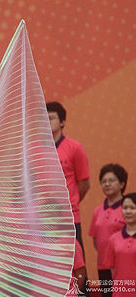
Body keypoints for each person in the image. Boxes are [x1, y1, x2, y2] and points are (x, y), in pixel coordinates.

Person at [46, 102, 90, 250]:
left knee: (74, 260)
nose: (47, 121)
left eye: (51, 118)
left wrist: (73, 200)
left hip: (69, 216)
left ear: (62, 122)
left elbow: (84, 183)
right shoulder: (37, 149)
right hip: (45, 217)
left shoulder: (75, 148)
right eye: (44, 118)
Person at [89, 163, 127, 297]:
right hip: (103, 265)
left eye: (111, 180)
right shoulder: (97, 210)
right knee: (107, 296)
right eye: (103, 181)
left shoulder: (128, 208)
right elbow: (95, 240)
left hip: (124, 266)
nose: (107, 184)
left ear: (122, 184)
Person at [103, 193, 136, 297]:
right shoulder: (114, 239)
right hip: (120, 295)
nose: (128, 211)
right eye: (125, 208)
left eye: (132, 208)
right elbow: (113, 270)